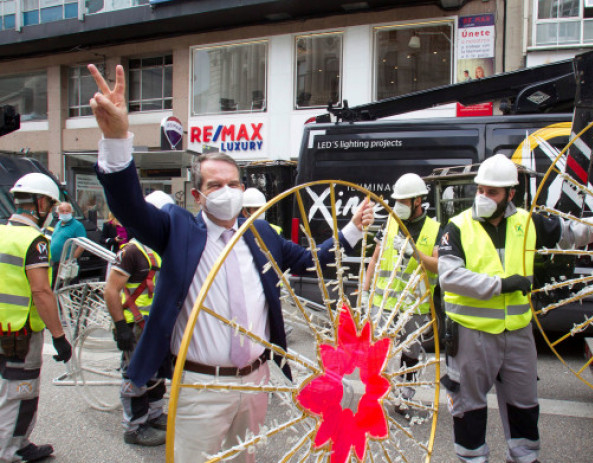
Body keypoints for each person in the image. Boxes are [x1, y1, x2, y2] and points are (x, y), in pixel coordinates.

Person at [87, 63, 374, 462]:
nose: (226, 191)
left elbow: (310, 260)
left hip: (256, 383)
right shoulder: (179, 230)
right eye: (214, 185)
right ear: (197, 195)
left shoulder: (262, 236)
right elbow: (129, 207)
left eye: (234, 184)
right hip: (200, 387)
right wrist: (117, 139)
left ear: (244, 189)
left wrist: (353, 230)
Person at [438, 154, 593, 463]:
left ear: (511, 193)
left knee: (524, 403)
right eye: (480, 189)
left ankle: (524, 457)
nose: (483, 197)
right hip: (471, 335)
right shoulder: (456, 227)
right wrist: (502, 285)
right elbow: (450, 277)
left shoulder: (528, 222)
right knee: (468, 406)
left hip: (518, 334)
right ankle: (471, 459)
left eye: (492, 192)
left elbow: (574, 233)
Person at [0, 173, 72, 462]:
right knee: (20, 391)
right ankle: (11, 449)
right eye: (51, 206)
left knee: (3, 386)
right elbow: (41, 292)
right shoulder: (35, 241)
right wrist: (59, 336)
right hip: (20, 331)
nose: (52, 213)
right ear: (41, 202)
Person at [361, 173, 440, 414]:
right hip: (383, 302)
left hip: (413, 306)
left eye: (404, 201)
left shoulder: (434, 228)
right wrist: (365, 291)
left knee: (410, 354)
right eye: (398, 200)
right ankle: (374, 396)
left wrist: (413, 253)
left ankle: (405, 396)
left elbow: (437, 265)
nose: (399, 206)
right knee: (377, 353)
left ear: (418, 201)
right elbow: (374, 258)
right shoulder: (390, 223)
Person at [104, 191, 175, 447]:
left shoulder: (160, 249)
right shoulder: (132, 252)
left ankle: (154, 415)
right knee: (135, 375)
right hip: (136, 326)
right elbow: (111, 290)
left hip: (156, 326)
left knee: (156, 372)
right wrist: (120, 326)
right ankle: (134, 427)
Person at [50, 202, 86, 282]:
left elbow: (82, 245)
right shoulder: (58, 224)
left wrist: (71, 259)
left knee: (66, 288)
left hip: (68, 265)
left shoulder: (77, 226)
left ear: (72, 212)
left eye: (67, 211)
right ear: (58, 213)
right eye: (62, 211)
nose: (65, 213)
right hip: (56, 263)